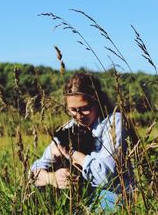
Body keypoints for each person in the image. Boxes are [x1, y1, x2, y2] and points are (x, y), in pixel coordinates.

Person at [30, 72, 135, 211]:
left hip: (114, 194)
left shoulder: (113, 121)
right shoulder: (68, 129)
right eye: (73, 110)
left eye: (84, 109)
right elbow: (32, 173)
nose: (78, 116)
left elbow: (105, 177)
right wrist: (52, 178)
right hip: (81, 196)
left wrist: (71, 154)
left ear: (97, 101)